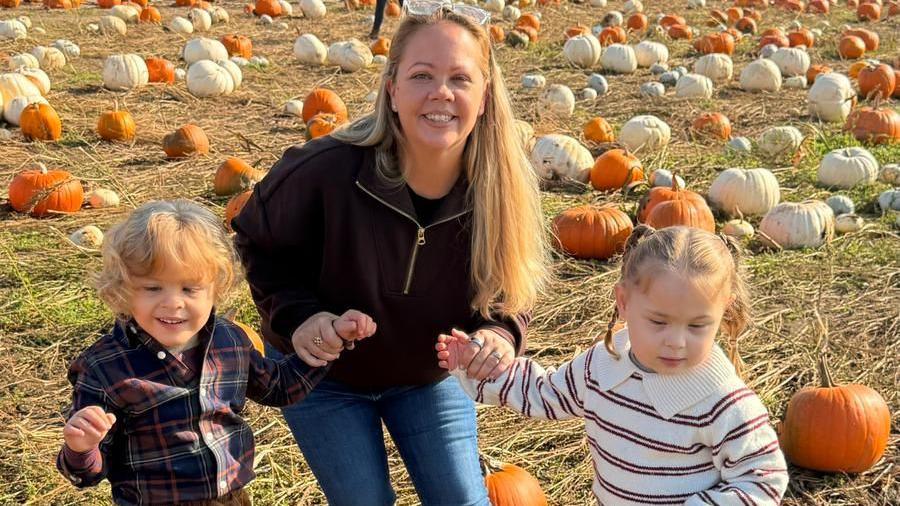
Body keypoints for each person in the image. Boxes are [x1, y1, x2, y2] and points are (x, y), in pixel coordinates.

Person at [231, 3, 548, 505]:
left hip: (427, 377)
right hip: (324, 377)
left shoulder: (499, 190)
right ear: (392, 87)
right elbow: (255, 240)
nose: (441, 92)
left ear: (484, 97)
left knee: (462, 500)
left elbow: (510, 286)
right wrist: (300, 319)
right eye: (422, 75)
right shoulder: (324, 171)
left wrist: (499, 333)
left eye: (460, 79)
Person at [438, 225, 790, 505]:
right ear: (623, 301)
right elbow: (544, 393)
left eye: (697, 326)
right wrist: (479, 368)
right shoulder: (604, 364)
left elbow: (764, 478)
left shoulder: (723, 402)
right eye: (658, 321)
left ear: (723, 310)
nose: (676, 341)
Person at [56, 200, 372, 506]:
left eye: (189, 289)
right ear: (123, 288)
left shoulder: (229, 341)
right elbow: (87, 473)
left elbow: (277, 386)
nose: (173, 303)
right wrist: (81, 447)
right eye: (153, 288)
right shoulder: (104, 368)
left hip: (232, 499)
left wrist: (327, 342)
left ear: (215, 287)